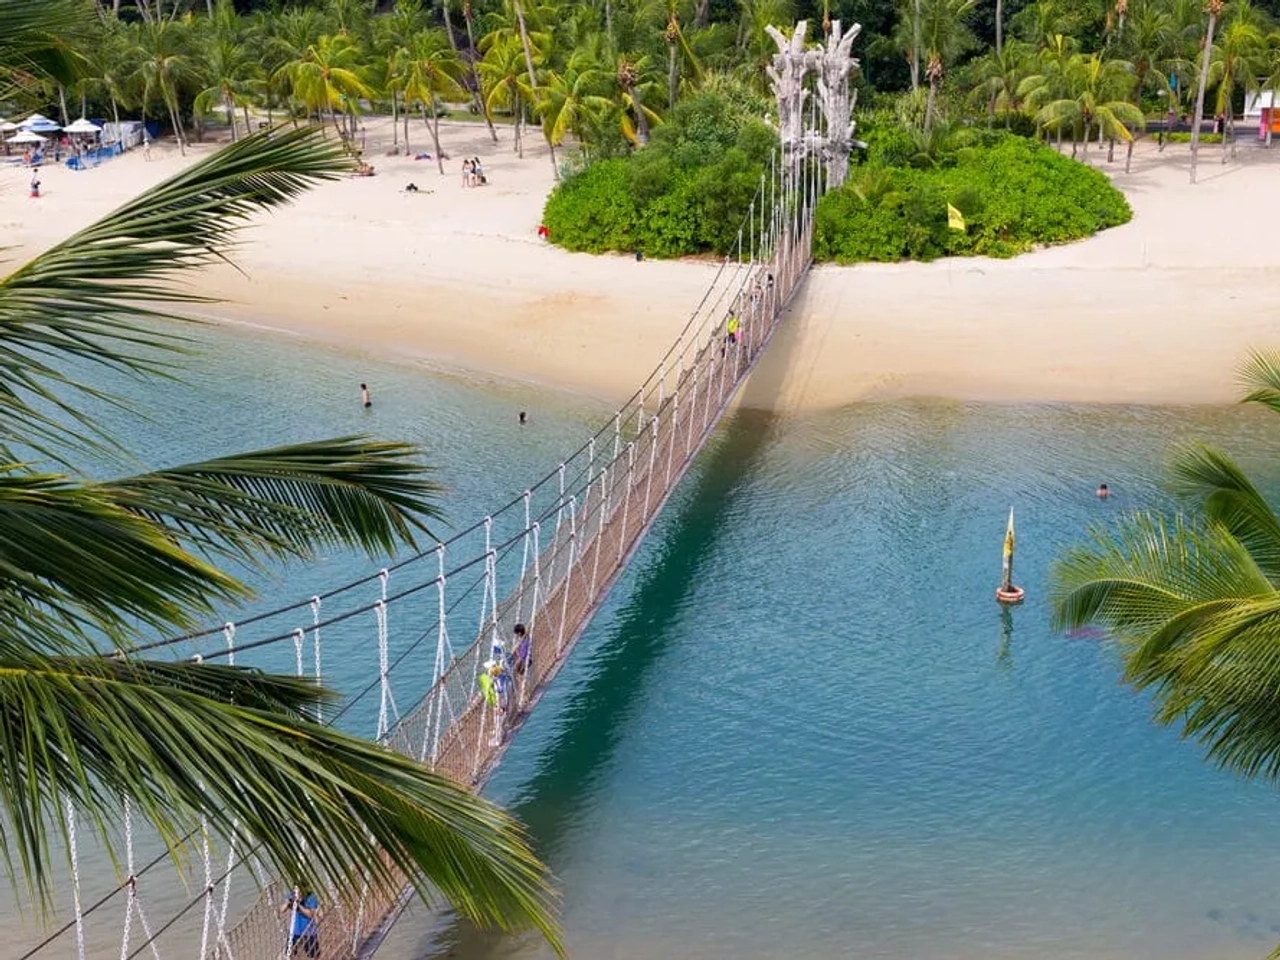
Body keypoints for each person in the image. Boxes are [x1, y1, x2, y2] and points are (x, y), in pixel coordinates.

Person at [279, 888, 320, 958]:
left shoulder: (311, 897)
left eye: (300, 892)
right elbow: (281, 910)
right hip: (295, 932)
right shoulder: (291, 895)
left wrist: (299, 906)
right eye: (296, 892)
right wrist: (288, 903)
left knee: (314, 955)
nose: (298, 894)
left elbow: (311, 914)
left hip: (309, 931)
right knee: (289, 953)